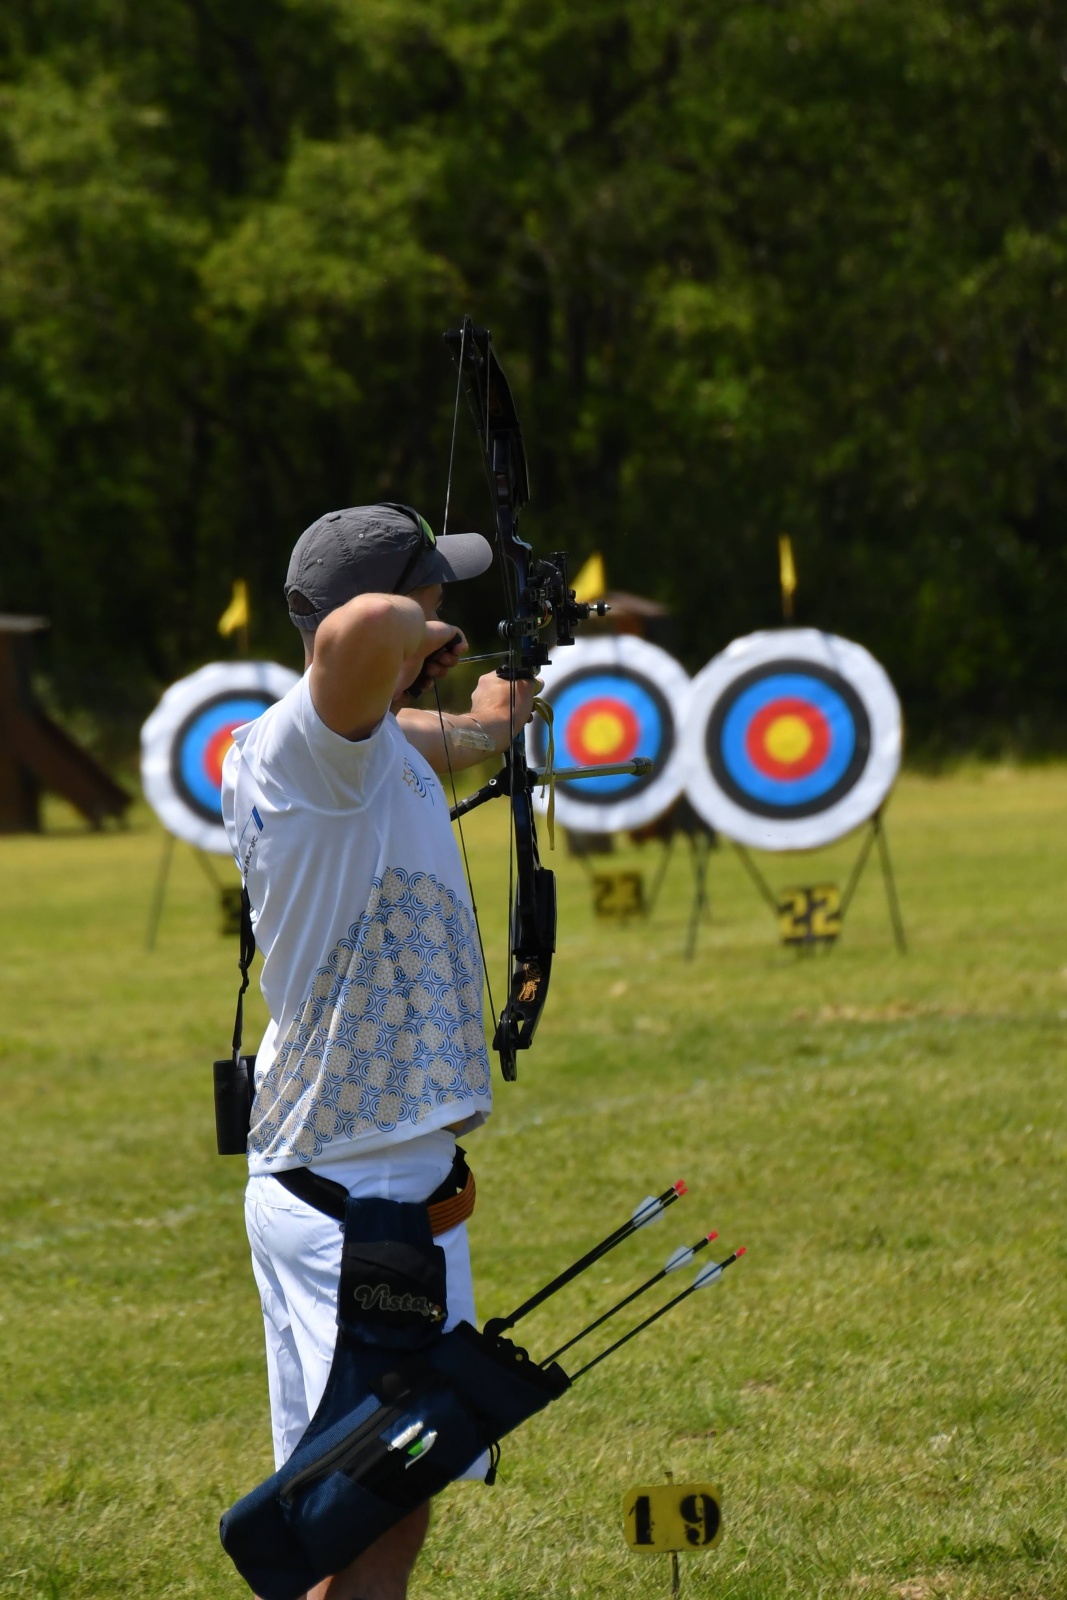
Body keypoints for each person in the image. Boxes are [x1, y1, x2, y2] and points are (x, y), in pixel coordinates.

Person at [221, 502, 537, 1600]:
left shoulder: (349, 745)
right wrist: (417, 628)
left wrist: (488, 724)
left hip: (368, 1179)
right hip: (355, 1194)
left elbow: (414, 735)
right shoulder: (305, 745)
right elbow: (356, 634)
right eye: (429, 592)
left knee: (357, 1505)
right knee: (371, 1509)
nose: (441, 610)